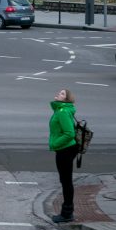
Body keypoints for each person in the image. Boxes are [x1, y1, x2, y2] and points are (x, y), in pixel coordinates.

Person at [49, 88, 79, 223]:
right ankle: (67, 212)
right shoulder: (62, 110)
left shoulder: (62, 112)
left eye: (62, 93)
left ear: (66, 99)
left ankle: (67, 214)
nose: (58, 94)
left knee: (66, 182)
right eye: (59, 92)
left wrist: (56, 144)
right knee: (65, 181)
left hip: (65, 150)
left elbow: (70, 133)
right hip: (66, 149)